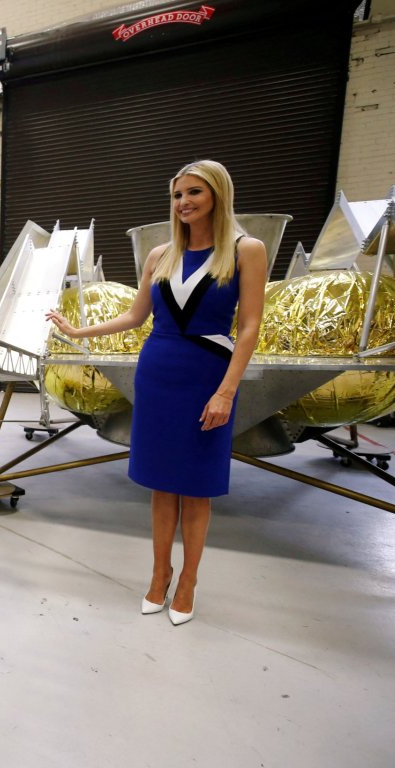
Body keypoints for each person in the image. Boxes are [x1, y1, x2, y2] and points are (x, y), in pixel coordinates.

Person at [46, 159, 266, 626]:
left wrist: (226, 391)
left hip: (209, 374)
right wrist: (79, 331)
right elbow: (134, 317)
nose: (183, 203)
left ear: (217, 196)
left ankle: (189, 580)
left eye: (193, 193)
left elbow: (249, 328)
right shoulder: (159, 255)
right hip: (158, 371)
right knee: (162, 483)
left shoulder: (247, 250)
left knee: (197, 484)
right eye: (177, 195)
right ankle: (159, 572)